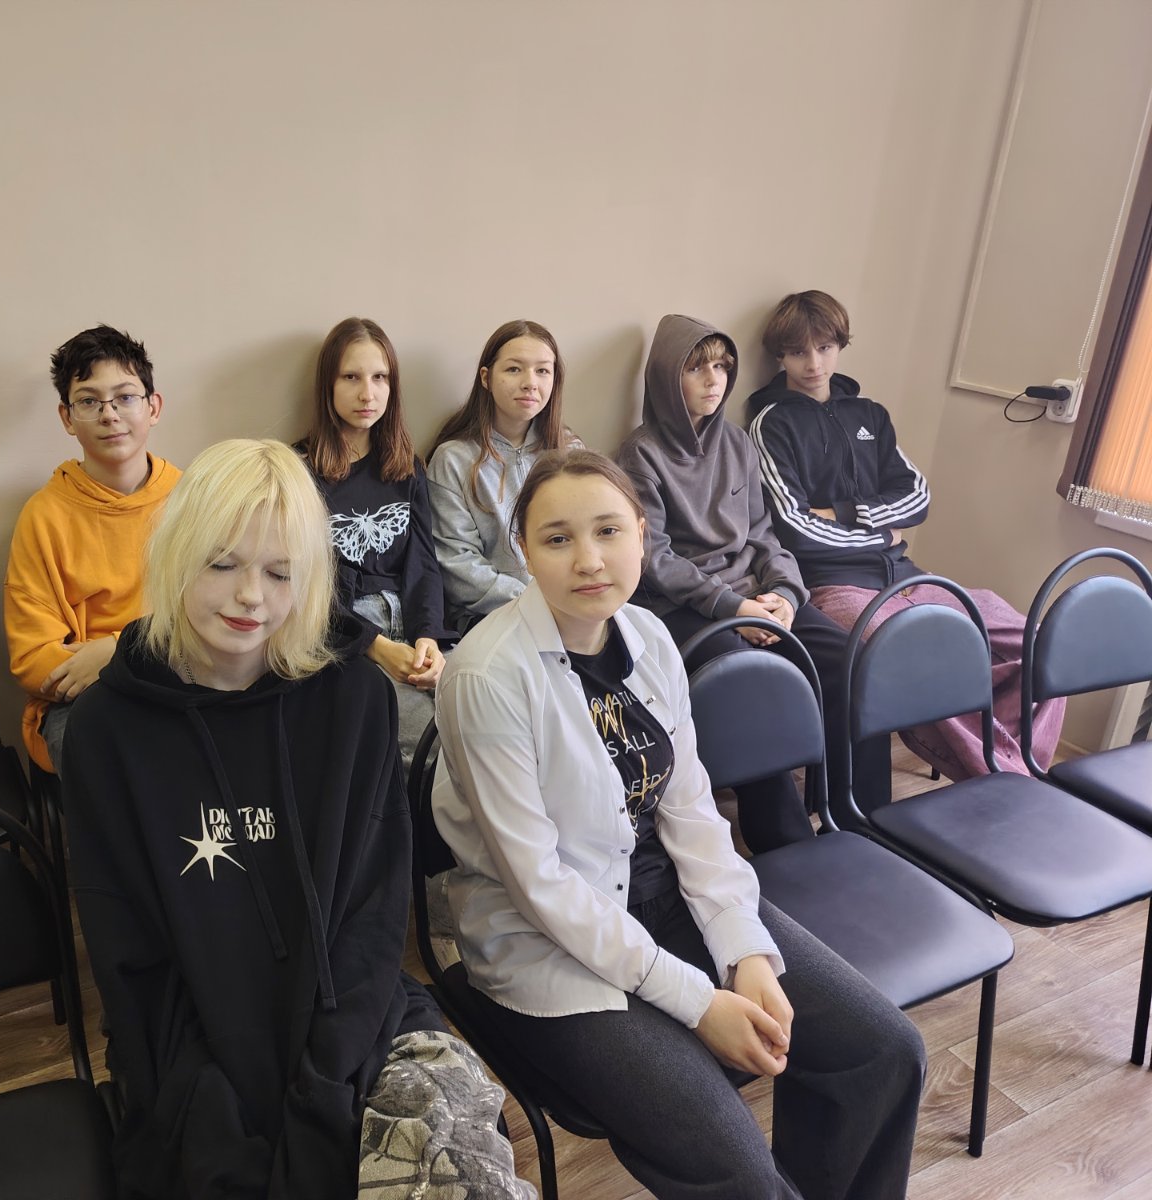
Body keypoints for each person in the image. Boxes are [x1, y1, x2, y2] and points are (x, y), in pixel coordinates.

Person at [433, 448, 926, 1200]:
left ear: (641, 533)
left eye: (608, 531)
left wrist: (744, 949)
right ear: (524, 551)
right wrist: (699, 1000)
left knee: (885, 1053)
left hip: (667, 898)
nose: (589, 559)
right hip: (549, 943)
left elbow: (691, 811)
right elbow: (540, 885)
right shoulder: (486, 675)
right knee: (739, 1171)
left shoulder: (649, 637)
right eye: (558, 539)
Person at [62, 439, 530, 1199]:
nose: (251, 596)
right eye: (222, 565)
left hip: (355, 1006)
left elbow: (374, 912)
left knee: (460, 1169)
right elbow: (129, 955)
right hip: (194, 1027)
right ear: (177, 556)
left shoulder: (354, 699)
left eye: (280, 573)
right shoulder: (105, 731)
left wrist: (325, 1074)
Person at [747, 290, 1064, 781]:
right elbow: (795, 528)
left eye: (825, 348)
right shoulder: (771, 424)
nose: (813, 364)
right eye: (797, 352)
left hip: (910, 575)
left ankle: (1018, 767)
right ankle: (999, 780)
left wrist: (845, 513)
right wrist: (883, 533)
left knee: (1041, 642)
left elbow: (917, 497)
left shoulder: (870, 415)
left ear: (840, 345)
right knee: (910, 657)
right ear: (780, 356)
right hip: (835, 584)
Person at [620, 314, 891, 845]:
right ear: (667, 377)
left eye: (722, 367)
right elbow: (655, 559)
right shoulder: (639, 454)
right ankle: (785, 845)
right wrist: (734, 610)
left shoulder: (738, 443)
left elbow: (764, 533)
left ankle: (862, 820)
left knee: (853, 660)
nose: (714, 380)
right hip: (687, 609)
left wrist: (786, 595)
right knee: (751, 684)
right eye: (697, 368)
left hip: (758, 595)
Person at [4, 324, 181, 775]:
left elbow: (217, 624)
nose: (109, 415)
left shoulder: (193, 500)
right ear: (67, 418)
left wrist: (118, 651)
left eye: (125, 397)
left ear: (153, 407)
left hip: (184, 677)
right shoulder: (44, 516)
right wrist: (121, 665)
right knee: (108, 763)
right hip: (87, 697)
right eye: (89, 401)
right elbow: (33, 659)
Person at [296, 317, 445, 764]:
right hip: (346, 635)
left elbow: (424, 564)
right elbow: (302, 589)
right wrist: (376, 647)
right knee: (427, 748)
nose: (368, 393)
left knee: (481, 720)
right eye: (351, 377)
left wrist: (429, 639)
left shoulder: (405, 466)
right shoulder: (298, 471)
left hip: (411, 625)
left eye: (380, 378)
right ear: (328, 384)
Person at [428, 319, 579, 632]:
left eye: (543, 371)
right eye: (514, 369)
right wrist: (537, 604)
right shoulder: (453, 459)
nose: (530, 383)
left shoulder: (571, 453)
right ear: (486, 377)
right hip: (492, 619)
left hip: (570, 611)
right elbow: (456, 563)